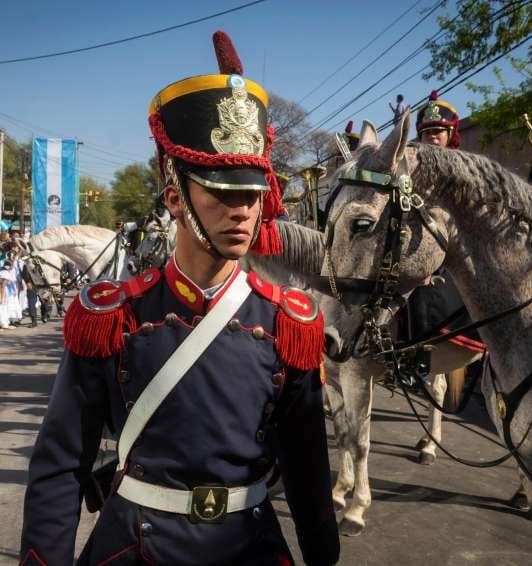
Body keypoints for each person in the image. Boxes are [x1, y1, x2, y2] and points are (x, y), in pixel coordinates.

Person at [20, 30, 339, 566]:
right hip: (135, 545)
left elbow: (308, 466)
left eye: (252, 196)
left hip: (250, 546)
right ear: (175, 198)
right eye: (221, 193)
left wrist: (322, 555)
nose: (241, 210)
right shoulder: (113, 315)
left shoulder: (288, 321)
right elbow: (61, 462)